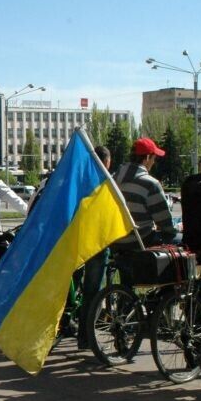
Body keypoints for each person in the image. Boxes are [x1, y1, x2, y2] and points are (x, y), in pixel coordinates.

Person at [78, 146, 113, 349]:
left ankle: (81, 333)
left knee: (85, 290)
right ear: (106, 162)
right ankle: (87, 337)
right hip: (98, 243)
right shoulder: (104, 183)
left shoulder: (81, 180)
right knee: (93, 291)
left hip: (79, 240)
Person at [112, 138, 176, 249]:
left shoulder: (113, 179)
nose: (153, 162)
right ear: (147, 158)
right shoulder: (150, 184)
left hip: (115, 241)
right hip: (140, 240)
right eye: (153, 158)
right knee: (179, 239)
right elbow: (165, 224)